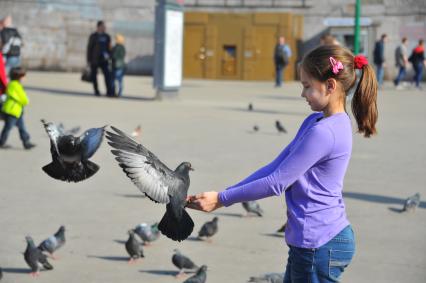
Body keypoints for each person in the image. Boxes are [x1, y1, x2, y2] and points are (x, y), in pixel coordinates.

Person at [187, 45, 378, 283]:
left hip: (318, 244)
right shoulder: (316, 121)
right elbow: (275, 168)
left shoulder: (325, 132)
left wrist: (222, 199)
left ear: (330, 85)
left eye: (307, 86)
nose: (302, 94)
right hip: (318, 240)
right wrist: (222, 195)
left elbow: (276, 182)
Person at [0, 67, 35, 149]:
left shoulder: (12, 84)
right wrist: (26, 100)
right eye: (23, 76)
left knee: (22, 127)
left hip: (17, 111)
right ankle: (2, 142)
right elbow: (23, 98)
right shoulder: (15, 85)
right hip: (12, 111)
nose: (24, 78)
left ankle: (26, 142)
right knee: (8, 128)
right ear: (19, 76)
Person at [86, 20, 114, 97]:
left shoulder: (107, 36)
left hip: (104, 60)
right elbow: (89, 49)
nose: (104, 28)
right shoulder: (93, 36)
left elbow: (110, 48)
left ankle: (109, 92)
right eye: (103, 26)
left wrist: (110, 56)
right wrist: (88, 61)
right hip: (94, 60)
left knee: (107, 76)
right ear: (98, 27)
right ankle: (96, 91)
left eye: (105, 27)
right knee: (94, 77)